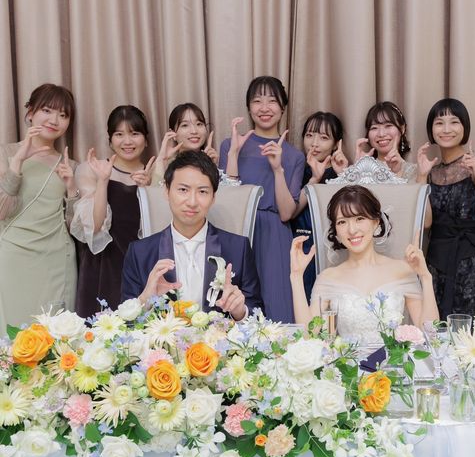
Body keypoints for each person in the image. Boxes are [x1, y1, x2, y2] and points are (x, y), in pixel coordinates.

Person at [290, 185, 439, 346]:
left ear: (376, 222)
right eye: (342, 222)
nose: (352, 230)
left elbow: (431, 335)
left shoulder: (402, 270)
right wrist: (296, 277)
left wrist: (425, 277)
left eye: (359, 218)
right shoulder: (328, 277)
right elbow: (307, 336)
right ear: (336, 232)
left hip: (393, 362)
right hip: (348, 361)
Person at [122, 150, 263, 320]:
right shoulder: (140, 252)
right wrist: (145, 300)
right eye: (183, 190)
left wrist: (240, 311)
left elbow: (258, 314)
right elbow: (123, 325)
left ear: (213, 198)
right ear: (166, 191)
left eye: (202, 192)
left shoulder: (238, 248)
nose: (192, 202)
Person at [220, 76, 305, 322]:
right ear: (249, 107)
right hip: (236, 230)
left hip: (274, 236)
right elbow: (226, 198)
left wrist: (277, 169)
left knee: (277, 306)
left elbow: (286, 213)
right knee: (234, 303)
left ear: (283, 107)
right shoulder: (230, 145)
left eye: (272, 101)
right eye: (257, 101)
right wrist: (233, 155)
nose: (264, 108)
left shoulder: (294, 156)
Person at [0, 84, 78, 332]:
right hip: (12, 256)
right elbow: (3, 211)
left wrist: (72, 189)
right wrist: (18, 161)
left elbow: (76, 227)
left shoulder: (70, 165)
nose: (54, 120)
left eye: (63, 115)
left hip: (56, 260)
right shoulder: (5, 153)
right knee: (10, 337)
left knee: (53, 339)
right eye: (47, 110)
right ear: (30, 112)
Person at [416, 98, 475, 318]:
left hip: (474, 265)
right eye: (439, 123)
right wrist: (422, 177)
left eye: (454, 122)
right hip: (437, 264)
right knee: (437, 332)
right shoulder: (431, 172)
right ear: (431, 130)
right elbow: (426, 223)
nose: (446, 129)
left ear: (465, 127)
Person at [71, 105, 155, 316]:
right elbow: (95, 226)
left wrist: (148, 190)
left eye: (134, 133)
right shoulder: (92, 170)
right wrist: (103, 181)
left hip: (142, 267)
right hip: (103, 267)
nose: (127, 141)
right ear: (110, 140)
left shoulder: (156, 174)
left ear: (146, 140)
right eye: (119, 134)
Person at [291, 111, 348, 301]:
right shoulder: (296, 170)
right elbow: (290, 212)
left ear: (336, 144)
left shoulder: (341, 172)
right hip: (301, 245)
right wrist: (314, 179)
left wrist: (343, 175)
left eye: (324, 138)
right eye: (309, 135)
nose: (314, 143)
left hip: (333, 248)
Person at [152, 103, 217, 185]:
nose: (194, 131)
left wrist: (211, 166)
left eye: (199, 124)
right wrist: (161, 162)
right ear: (172, 133)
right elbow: (156, 192)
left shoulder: (211, 158)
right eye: (185, 125)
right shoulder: (163, 164)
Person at [355, 101, 417, 181]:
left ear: (402, 129)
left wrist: (397, 173)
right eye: (374, 128)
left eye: (388, 126)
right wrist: (357, 169)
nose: (381, 134)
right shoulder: (362, 169)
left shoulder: (415, 171)